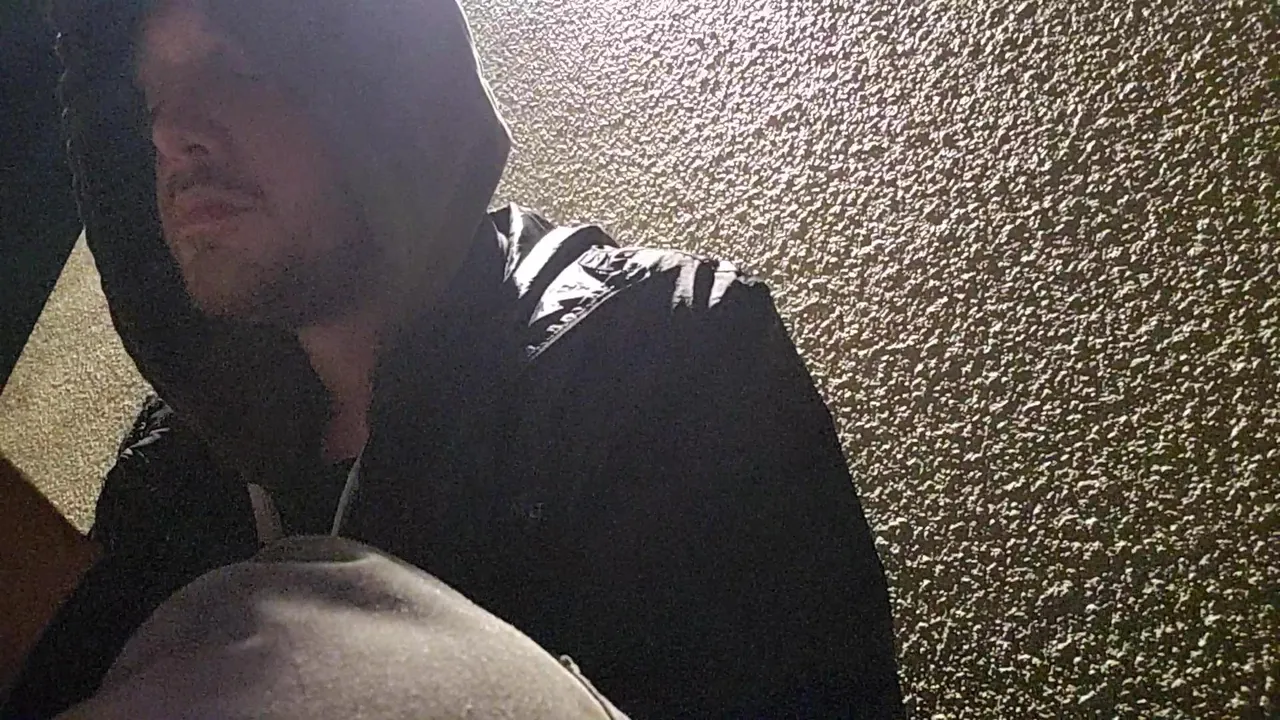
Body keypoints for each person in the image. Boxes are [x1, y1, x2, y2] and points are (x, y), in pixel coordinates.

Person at [3, 0, 905, 716]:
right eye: (150, 100)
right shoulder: (171, 467)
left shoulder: (658, 356)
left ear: (381, 87)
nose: (169, 134)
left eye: (232, 66)